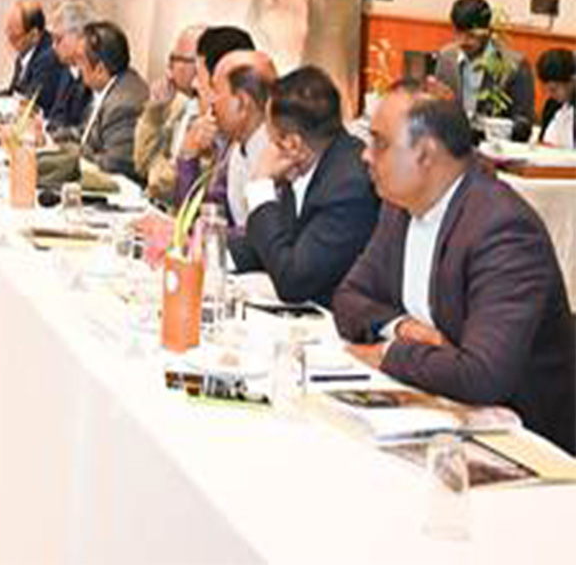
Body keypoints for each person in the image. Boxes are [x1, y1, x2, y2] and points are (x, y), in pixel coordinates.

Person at [334, 83, 574, 452]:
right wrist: (405, 328)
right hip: (434, 411)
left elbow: (482, 376)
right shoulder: (399, 206)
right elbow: (349, 299)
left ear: (426, 154)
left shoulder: (503, 229)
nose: (366, 155)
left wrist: (387, 353)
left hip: (523, 440)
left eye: (380, 143)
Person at [229, 65, 380, 307]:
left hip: (341, 330)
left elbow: (293, 281)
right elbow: (271, 243)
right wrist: (205, 253)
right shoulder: (307, 163)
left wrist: (260, 187)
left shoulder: (349, 186)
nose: (269, 149)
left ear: (293, 144)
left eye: (273, 139)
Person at [173, 25, 256, 211]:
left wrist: (188, 159)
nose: (194, 85)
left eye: (200, 78)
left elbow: (202, 222)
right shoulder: (224, 137)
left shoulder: (256, 147)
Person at [431, 0, 535, 128]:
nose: (463, 41)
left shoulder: (514, 65)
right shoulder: (447, 57)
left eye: (471, 35)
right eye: (458, 33)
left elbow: (523, 122)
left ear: (488, 31)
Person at [135, 24, 205, 203]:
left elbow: (167, 185)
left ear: (200, 65)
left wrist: (156, 170)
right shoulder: (177, 105)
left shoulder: (210, 119)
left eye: (177, 58)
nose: (169, 67)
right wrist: (154, 112)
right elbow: (142, 164)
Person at [208, 50, 278, 226]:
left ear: (242, 103)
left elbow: (261, 236)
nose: (211, 101)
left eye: (215, 91)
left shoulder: (280, 155)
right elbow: (210, 212)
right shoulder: (238, 148)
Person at [77, 21, 149, 179]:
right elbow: (85, 134)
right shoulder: (110, 86)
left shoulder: (123, 105)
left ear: (100, 70)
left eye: (81, 61)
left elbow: (115, 165)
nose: (77, 67)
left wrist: (75, 152)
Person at [0, 1, 63, 111]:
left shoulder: (48, 58)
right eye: (7, 30)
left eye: (15, 37)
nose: (9, 41)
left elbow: (29, 105)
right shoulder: (25, 53)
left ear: (34, 35)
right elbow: (13, 93)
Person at [44, 0, 95, 133]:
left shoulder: (94, 73)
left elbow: (84, 129)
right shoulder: (67, 68)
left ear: (80, 36)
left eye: (58, 39)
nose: (53, 47)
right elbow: (57, 114)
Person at [535, 48, 574, 148]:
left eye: (554, 89)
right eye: (546, 89)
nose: (550, 94)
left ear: (572, 81)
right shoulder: (552, 105)